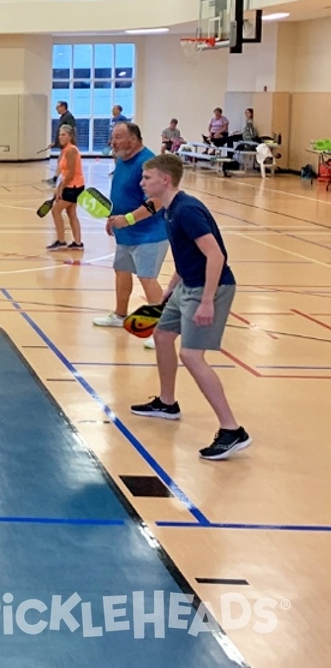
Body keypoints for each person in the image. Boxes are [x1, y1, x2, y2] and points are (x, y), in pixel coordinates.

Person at [130, 153, 251, 460]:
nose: (142, 182)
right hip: (187, 284)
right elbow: (188, 254)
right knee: (162, 335)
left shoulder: (186, 211)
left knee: (191, 355)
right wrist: (173, 284)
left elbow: (216, 256)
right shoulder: (169, 210)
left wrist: (208, 299)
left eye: (147, 178)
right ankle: (167, 403)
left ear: (165, 180)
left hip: (211, 287)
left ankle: (231, 429)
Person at [95, 122, 168, 351]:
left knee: (147, 278)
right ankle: (120, 314)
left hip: (150, 233)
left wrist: (128, 219)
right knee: (122, 271)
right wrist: (113, 218)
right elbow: (122, 193)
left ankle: (162, 330)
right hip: (125, 232)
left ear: (134, 140)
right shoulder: (121, 160)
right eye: (112, 137)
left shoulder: (149, 163)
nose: (112, 142)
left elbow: (158, 200)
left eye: (118, 137)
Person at [46, 125, 84, 251]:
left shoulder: (71, 150)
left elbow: (71, 172)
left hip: (74, 186)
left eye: (63, 135)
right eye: (59, 135)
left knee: (56, 211)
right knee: (71, 213)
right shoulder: (65, 150)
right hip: (71, 185)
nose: (60, 137)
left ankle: (61, 241)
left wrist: (60, 188)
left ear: (70, 136)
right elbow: (64, 171)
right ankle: (78, 243)